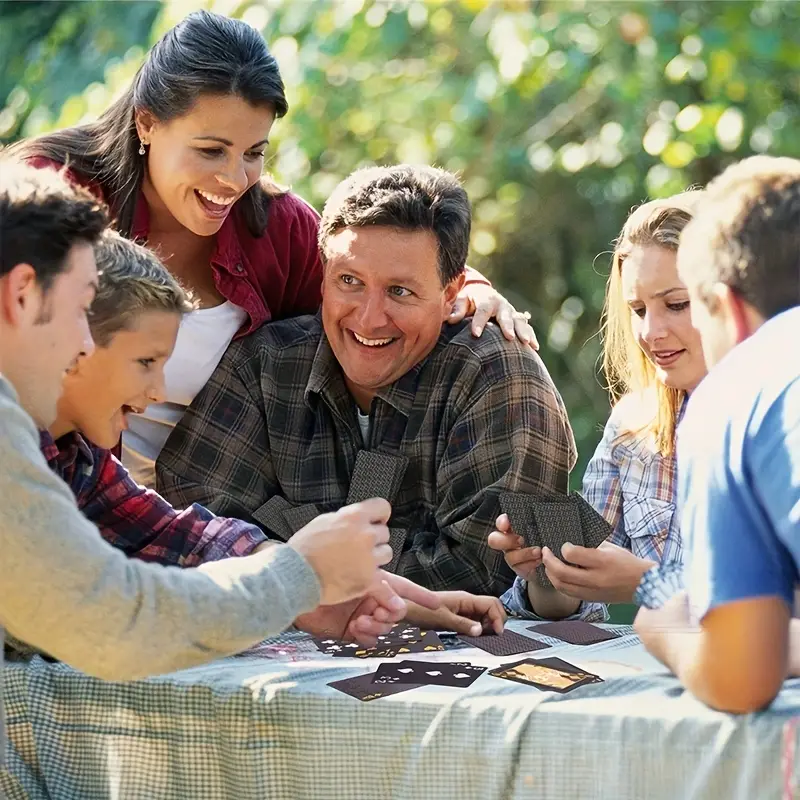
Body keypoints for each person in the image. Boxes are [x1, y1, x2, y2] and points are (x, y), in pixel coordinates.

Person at [10, 9, 537, 489]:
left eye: (254, 153)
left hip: (201, 507)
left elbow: (370, 272)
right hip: (51, 481)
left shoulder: (273, 227)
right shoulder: (55, 192)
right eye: (211, 150)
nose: (233, 178)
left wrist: (471, 287)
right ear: (147, 122)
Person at [0, 160, 420, 753]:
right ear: (20, 294)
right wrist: (299, 574)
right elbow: (116, 621)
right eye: (78, 311)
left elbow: (177, 535)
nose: (81, 345)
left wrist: (311, 584)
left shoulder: (65, 453)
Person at [32, 228, 503, 639]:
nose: (157, 392)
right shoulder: (15, 452)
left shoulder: (81, 463)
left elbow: (182, 535)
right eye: (145, 364)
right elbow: (96, 597)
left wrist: (326, 582)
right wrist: (292, 582)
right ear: (75, 343)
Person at [157, 164, 575, 599]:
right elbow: (190, 520)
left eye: (400, 291)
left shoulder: (497, 376)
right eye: (349, 281)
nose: (369, 318)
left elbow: (485, 572)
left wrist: (295, 551)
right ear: (322, 276)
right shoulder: (265, 365)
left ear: (451, 293)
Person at [490, 192, 708, 619]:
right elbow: (576, 601)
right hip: (658, 675)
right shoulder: (634, 426)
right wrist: (548, 571)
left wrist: (647, 583)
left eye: (676, 305)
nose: (651, 331)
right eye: (638, 310)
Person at [634, 156, 800, 713]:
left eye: (687, 307)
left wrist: (664, 623)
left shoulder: (731, 394)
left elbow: (739, 679)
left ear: (726, 306)